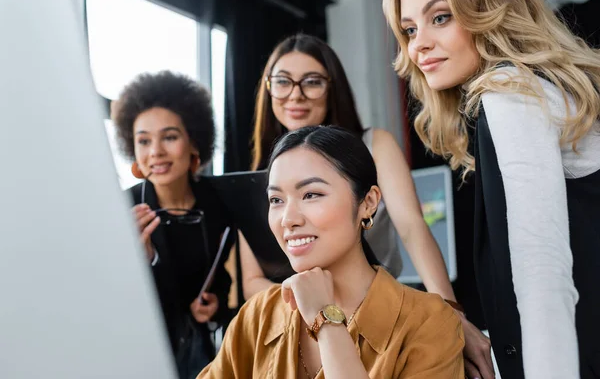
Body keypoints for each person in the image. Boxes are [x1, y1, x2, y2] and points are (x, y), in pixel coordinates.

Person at [238, 33, 492, 376]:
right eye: (282, 82)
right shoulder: (259, 174)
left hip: (382, 310)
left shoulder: (374, 144)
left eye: (311, 82)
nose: (295, 94)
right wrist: (302, 303)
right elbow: (251, 277)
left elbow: (412, 227)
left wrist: (450, 313)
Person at [383, 0, 600, 378]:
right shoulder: (529, 86)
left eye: (441, 17)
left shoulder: (510, 92)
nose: (419, 46)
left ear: (490, 13)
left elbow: (543, 276)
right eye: (410, 30)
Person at [198, 125, 465, 378]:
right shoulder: (258, 315)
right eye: (276, 200)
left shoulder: (429, 322)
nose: (288, 219)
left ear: (368, 203)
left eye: (311, 195)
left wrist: (325, 318)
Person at [112, 71, 233, 379]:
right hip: (138, 356)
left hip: (201, 359)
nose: (155, 152)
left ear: (194, 142)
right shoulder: (121, 211)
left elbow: (223, 277)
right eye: (144, 141)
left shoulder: (217, 203)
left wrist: (215, 304)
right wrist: (146, 259)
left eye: (169, 137)